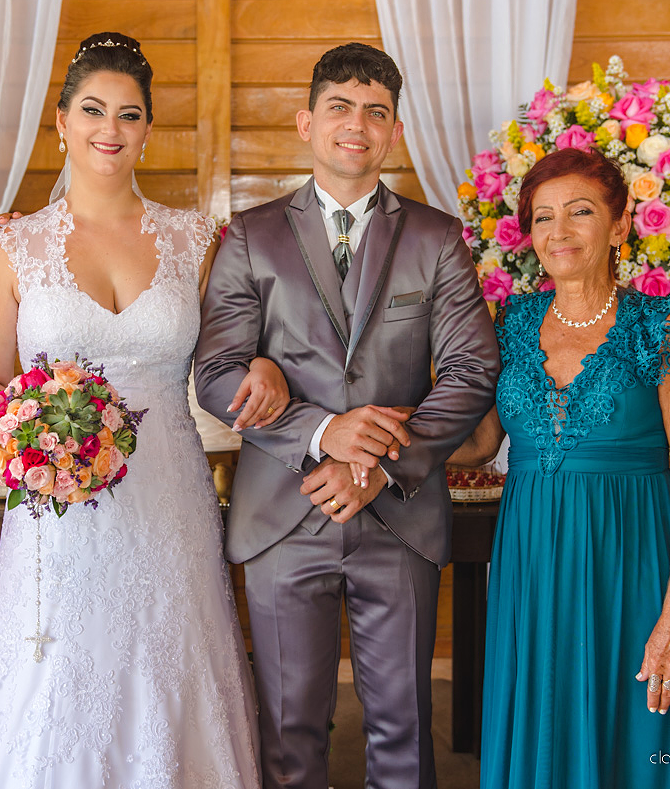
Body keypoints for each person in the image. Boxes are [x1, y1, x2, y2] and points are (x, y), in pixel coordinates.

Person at [0, 32, 284, 787]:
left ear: (148, 129)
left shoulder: (196, 241)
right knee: (58, 668)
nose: (109, 130)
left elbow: (230, 352)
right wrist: (30, 437)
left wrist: (259, 363)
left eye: (128, 114)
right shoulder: (13, 249)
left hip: (169, 492)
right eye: (93, 110)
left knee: (166, 653)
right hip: (56, 500)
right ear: (61, 121)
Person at [194, 43, 501, 789]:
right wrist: (325, 434)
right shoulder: (248, 236)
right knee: (290, 731)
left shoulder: (437, 237)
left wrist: (376, 464)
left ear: (393, 131)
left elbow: (471, 371)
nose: (356, 124)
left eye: (376, 111)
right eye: (340, 106)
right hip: (281, 514)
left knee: (402, 725)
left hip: (398, 514)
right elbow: (216, 372)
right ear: (307, 120)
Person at [451, 146, 670, 788]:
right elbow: (480, 442)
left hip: (635, 566)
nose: (559, 231)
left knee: (639, 735)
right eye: (543, 217)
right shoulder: (510, 322)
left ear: (620, 225)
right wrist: (381, 427)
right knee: (544, 723)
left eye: (580, 212)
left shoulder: (661, 326)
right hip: (532, 567)